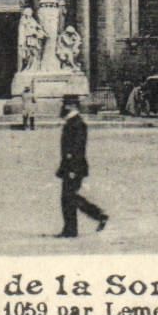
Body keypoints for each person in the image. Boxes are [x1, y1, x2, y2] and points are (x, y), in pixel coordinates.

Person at [55, 96, 107, 237]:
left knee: (69, 197)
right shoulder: (73, 122)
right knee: (69, 197)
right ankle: (72, 228)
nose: (63, 107)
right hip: (71, 166)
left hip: (74, 167)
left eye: (65, 105)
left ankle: (95, 217)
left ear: (71, 106)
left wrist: (72, 168)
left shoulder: (77, 123)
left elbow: (78, 148)